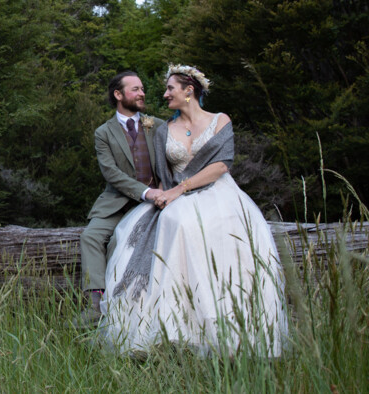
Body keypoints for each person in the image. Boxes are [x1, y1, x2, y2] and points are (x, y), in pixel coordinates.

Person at [98, 64, 287, 357]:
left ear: (189, 91)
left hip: (216, 191)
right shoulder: (164, 130)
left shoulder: (220, 120)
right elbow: (163, 174)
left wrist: (181, 190)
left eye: (170, 88)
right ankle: (175, 328)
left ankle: (228, 325)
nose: (164, 94)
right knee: (172, 221)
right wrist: (162, 197)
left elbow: (222, 164)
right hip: (175, 195)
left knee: (208, 224)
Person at [77, 71, 165, 326]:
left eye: (142, 88)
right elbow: (111, 173)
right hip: (117, 202)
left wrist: (160, 191)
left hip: (155, 203)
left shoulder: (157, 125)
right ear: (118, 94)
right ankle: (95, 304)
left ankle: (128, 306)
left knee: (124, 242)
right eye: (135, 89)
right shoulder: (103, 133)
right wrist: (145, 191)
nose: (142, 93)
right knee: (91, 236)